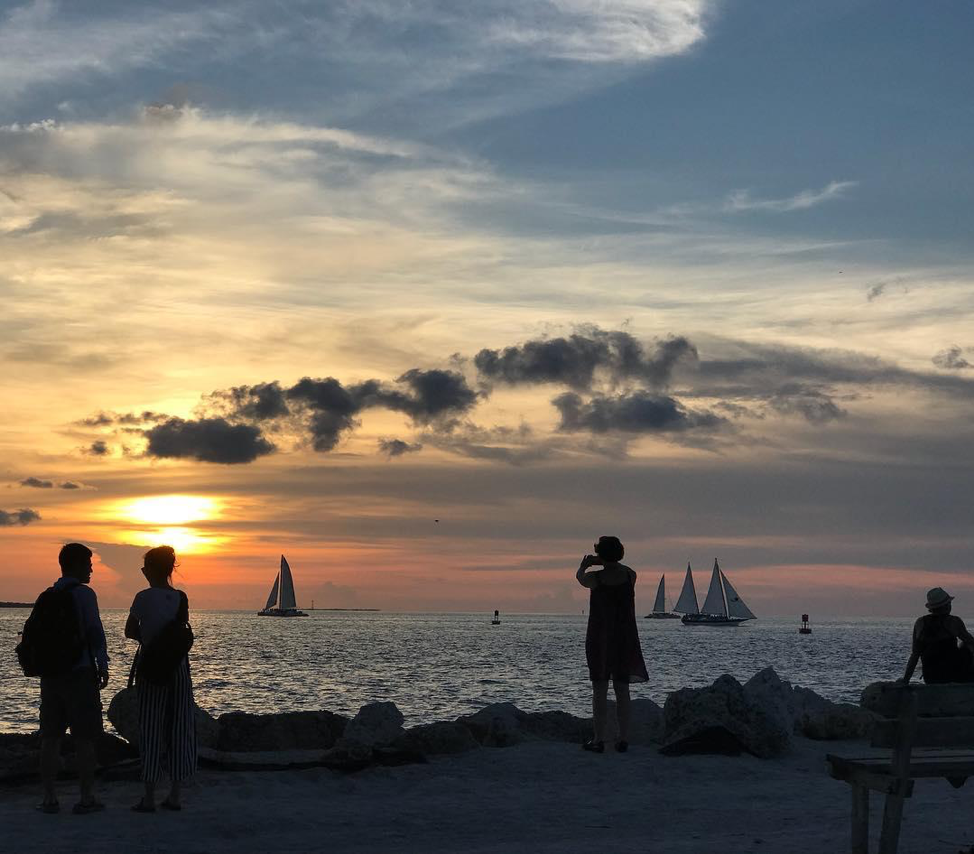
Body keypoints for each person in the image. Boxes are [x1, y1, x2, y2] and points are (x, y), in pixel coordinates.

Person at [38, 542, 110, 814]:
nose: (92, 569)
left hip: (51, 675)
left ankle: (49, 798)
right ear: (78, 565)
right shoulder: (84, 594)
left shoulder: (50, 594)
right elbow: (94, 632)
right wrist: (102, 664)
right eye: (89, 564)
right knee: (84, 739)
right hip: (79, 673)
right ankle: (86, 798)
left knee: (50, 737)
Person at [124, 546, 197, 812]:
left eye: (144, 568)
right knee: (180, 725)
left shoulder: (143, 597)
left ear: (151, 570)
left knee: (151, 727)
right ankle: (175, 794)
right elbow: (181, 630)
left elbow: (130, 630)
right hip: (179, 667)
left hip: (152, 665)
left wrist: (148, 640)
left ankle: (149, 796)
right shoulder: (181, 597)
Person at [576, 536, 648, 753]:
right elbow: (621, 568)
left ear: (600, 554)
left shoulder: (594, 578)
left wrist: (586, 564)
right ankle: (623, 738)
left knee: (599, 689)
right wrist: (608, 560)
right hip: (624, 637)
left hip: (600, 637)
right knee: (622, 689)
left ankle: (598, 739)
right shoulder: (629, 575)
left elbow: (579, 577)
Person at [901, 587, 974, 684]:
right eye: (949, 603)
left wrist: (905, 680)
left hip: (930, 677)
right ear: (947, 606)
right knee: (966, 645)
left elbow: (915, 655)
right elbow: (971, 642)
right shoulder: (954, 621)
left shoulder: (920, 623)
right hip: (953, 675)